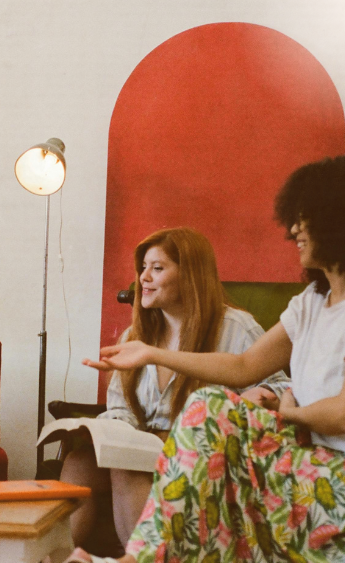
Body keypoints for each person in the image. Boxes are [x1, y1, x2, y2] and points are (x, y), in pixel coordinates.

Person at [67, 155, 345, 563]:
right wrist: (151, 352)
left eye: (306, 218)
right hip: (294, 451)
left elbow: (340, 415)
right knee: (208, 404)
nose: (294, 230)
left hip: (331, 469)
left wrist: (291, 413)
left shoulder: (238, 322)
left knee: (209, 407)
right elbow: (243, 367)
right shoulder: (310, 304)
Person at [59, 227, 289, 554]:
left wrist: (256, 397)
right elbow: (120, 408)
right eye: (142, 268)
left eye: (157, 268)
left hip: (198, 453)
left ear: (190, 275)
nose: (143, 278)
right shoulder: (133, 337)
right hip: (144, 444)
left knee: (126, 465)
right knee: (79, 462)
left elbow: (278, 384)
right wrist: (113, 433)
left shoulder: (235, 326)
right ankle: (61, 557)